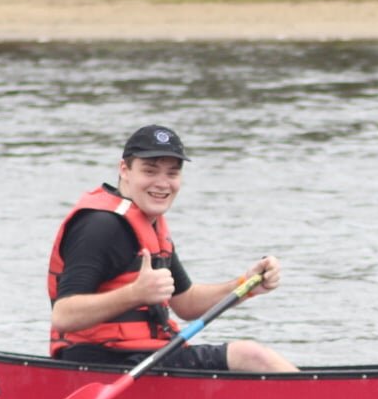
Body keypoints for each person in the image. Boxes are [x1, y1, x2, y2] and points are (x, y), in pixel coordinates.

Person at [47, 124, 297, 372]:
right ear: (125, 170)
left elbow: (185, 303)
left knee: (250, 355)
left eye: (172, 173)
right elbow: (64, 315)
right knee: (250, 355)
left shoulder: (148, 223)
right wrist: (135, 294)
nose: (162, 183)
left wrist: (246, 285)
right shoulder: (99, 226)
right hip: (104, 362)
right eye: (150, 171)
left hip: (147, 358)